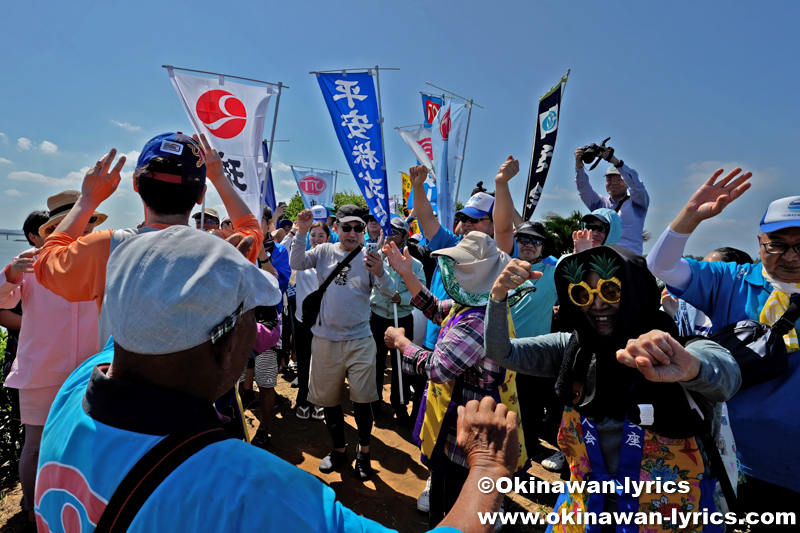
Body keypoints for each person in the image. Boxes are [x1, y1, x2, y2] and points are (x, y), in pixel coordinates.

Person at [34, 226, 517, 533]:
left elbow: (151, 321)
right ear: (226, 348)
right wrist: (489, 466)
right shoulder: (252, 490)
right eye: (255, 317)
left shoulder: (73, 391)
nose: (263, 331)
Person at [486, 245, 741, 531]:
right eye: (583, 294)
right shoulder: (573, 349)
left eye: (611, 291)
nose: (597, 304)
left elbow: (727, 376)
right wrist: (497, 297)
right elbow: (500, 351)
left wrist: (690, 367)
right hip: (585, 516)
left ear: (637, 291)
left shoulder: (680, 349)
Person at [646, 169, 800, 524]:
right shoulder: (731, 280)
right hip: (748, 458)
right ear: (759, 241)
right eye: (777, 244)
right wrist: (689, 216)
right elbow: (661, 265)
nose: (790, 256)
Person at [33, 132, 262, 349]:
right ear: (201, 194)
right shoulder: (222, 246)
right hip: (201, 389)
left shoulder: (107, 247)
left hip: (125, 387)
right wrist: (220, 178)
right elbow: (251, 229)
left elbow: (46, 262)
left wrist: (88, 199)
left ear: (135, 185)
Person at [382, 233, 530, 528]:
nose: (453, 271)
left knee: (453, 506)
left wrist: (401, 344)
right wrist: (408, 274)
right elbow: (436, 309)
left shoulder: (479, 319)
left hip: (466, 433)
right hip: (463, 421)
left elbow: (438, 368)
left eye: (460, 265)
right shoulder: (477, 303)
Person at [0, 201, 101, 528]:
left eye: (88, 225)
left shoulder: (99, 264)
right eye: (76, 224)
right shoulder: (32, 265)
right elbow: (3, 301)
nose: (83, 231)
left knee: (83, 442)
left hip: (87, 372)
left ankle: (73, 507)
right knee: (35, 447)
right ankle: (33, 511)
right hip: (40, 371)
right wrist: (12, 272)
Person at [290, 205, 396, 480]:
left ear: (363, 231)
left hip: (361, 339)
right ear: (336, 227)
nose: (352, 233)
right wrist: (301, 232)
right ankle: (338, 450)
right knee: (329, 400)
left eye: (358, 228)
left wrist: (382, 273)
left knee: (363, 401)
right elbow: (296, 263)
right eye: (346, 227)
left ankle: (364, 452)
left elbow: (391, 292)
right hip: (325, 340)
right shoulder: (324, 251)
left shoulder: (370, 257)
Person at [369, 216, 426, 425]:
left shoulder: (416, 264)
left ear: (405, 236)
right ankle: (374, 402)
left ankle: (399, 403)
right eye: (388, 230)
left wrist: (400, 297)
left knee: (401, 364)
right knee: (375, 362)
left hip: (402, 319)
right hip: (377, 317)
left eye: (395, 231)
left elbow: (420, 292)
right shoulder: (376, 258)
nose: (390, 234)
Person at [574, 145, 649, 255]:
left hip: (630, 260)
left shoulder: (638, 202)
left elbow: (637, 185)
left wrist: (615, 161)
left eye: (619, 179)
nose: (613, 183)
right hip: (603, 261)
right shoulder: (600, 204)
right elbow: (583, 189)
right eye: (609, 179)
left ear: (626, 182)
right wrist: (579, 165)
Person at [292, 221, 330, 421]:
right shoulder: (302, 260)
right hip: (302, 320)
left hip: (325, 322)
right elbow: (292, 260)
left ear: (328, 239)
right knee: (304, 360)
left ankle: (318, 401)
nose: (316, 239)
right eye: (313, 235)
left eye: (320, 236)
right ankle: (303, 400)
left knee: (321, 362)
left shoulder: (334, 264)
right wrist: (299, 232)